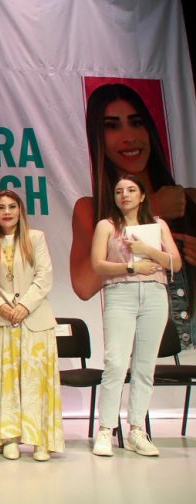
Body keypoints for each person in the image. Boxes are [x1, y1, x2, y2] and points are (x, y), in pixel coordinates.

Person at [71, 82, 196, 350]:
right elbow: (83, 286)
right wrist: (151, 208)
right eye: (112, 126)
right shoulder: (90, 210)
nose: (129, 137)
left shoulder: (188, 200)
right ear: (98, 137)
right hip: (145, 339)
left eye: (136, 122)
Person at [90, 175, 181, 457]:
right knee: (116, 363)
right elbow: (97, 265)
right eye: (119, 191)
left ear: (142, 196)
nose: (125, 195)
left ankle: (137, 430)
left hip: (155, 293)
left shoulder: (158, 225)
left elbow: (175, 263)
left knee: (144, 365)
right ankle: (105, 429)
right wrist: (131, 267)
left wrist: (148, 251)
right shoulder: (106, 226)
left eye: (131, 190)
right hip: (120, 293)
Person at [0, 190, 63, 462]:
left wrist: (24, 306)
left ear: (20, 211)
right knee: (5, 382)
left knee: (36, 381)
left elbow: (44, 275)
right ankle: (9, 438)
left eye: (12, 207)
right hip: (1, 320)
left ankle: (40, 440)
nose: (7, 212)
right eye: (1, 207)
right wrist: (1, 307)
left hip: (34, 318)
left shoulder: (36, 238)